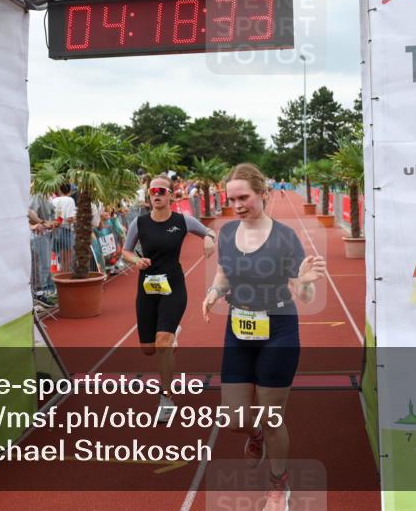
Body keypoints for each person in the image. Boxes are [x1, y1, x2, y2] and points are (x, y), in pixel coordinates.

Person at [202, 163, 325, 511]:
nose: (238, 204)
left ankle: (278, 485)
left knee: (272, 417)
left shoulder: (285, 237)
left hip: (278, 331)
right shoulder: (226, 233)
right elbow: (224, 272)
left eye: (245, 197)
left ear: (263, 195)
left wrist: (304, 281)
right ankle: (254, 435)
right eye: (233, 199)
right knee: (235, 420)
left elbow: (307, 298)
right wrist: (213, 292)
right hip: (238, 330)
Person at [121, 174, 216, 422]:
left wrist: (208, 238)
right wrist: (136, 260)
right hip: (147, 288)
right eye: (153, 191)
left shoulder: (183, 220)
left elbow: (210, 232)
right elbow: (125, 251)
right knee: (148, 350)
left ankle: (166, 398)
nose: (157, 195)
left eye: (162, 191)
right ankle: (171, 336)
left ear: (171, 195)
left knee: (162, 343)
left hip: (173, 286)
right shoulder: (139, 223)